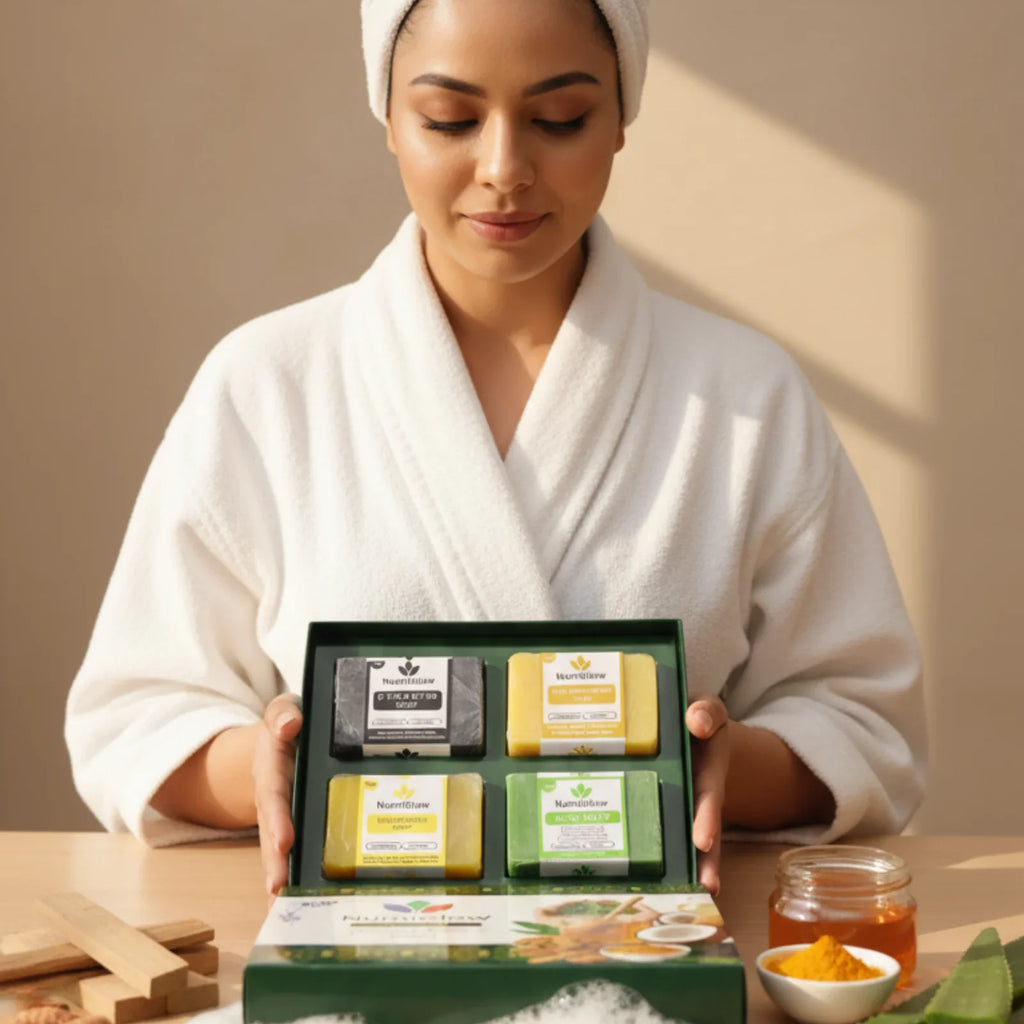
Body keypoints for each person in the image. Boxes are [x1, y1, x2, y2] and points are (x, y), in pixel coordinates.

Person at [65, 0, 927, 899]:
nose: (504, 168)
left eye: (561, 119)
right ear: (390, 120)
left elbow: (865, 722)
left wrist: (726, 763)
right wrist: (268, 761)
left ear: (622, 118)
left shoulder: (748, 397)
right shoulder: (266, 384)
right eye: (450, 120)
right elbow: (135, 714)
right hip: (356, 945)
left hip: (661, 941)